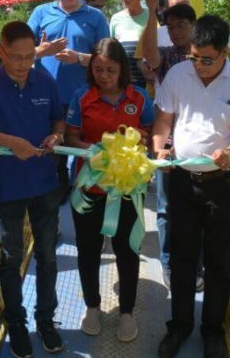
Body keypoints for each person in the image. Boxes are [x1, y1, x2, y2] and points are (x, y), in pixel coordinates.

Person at [154, 15, 230, 358]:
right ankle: (180, 326)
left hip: (221, 183)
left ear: (225, 52)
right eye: (194, 57)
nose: (198, 65)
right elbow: (163, 121)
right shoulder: (177, 75)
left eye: (207, 59)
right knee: (182, 260)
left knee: (217, 262)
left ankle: (213, 331)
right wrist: (160, 147)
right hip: (182, 181)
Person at [0, 21, 66, 358]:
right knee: (9, 257)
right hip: (8, 185)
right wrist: (11, 142)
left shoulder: (44, 79)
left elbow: (58, 118)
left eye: (29, 57)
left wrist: (57, 136)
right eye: (16, 57)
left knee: (47, 255)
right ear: (0, 52)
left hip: (45, 183)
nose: (23, 64)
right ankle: (17, 322)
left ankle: (46, 320)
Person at [65, 38, 154, 343]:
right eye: (98, 69)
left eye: (111, 70)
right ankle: (92, 307)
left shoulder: (139, 98)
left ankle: (126, 312)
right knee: (88, 251)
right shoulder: (82, 98)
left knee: (127, 251)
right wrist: (96, 150)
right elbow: (71, 137)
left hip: (127, 190)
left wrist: (143, 140)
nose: (104, 75)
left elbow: (152, 134)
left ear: (122, 70)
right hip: (89, 190)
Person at [28, 0, 109, 201]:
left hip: (82, 99)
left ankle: (85, 199)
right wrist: (39, 52)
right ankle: (54, 201)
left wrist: (80, 58)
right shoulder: (40, 13)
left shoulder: (96, 17)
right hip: (43, 98)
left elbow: (107, 60)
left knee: (83, 152)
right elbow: (18, 52)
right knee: (50, 153)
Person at [139, 2, 198, 290]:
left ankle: (194, 265)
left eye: (180, 26)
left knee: (195, 205)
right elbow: (149, 55)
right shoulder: (166, 56)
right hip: (167, 140)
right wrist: (151, 13)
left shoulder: (205, 56)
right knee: (166, 207)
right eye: (170, 27)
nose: (174, 32)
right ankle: (168, 263)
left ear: (193, 26)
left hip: (198, 144)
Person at [109, 0, 157, 88]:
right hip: (122, 80)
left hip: (147, 80)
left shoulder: (151, 16)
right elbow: (111, 49)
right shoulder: (115, 19)